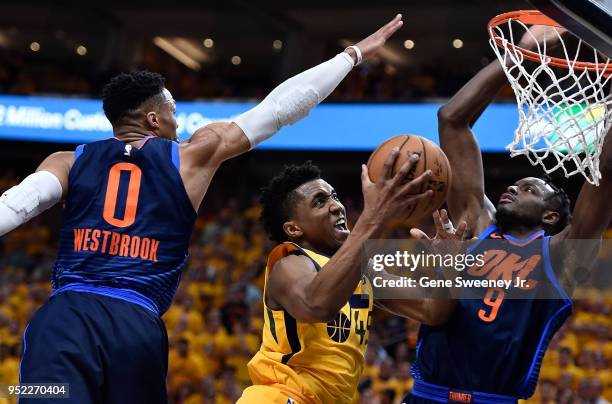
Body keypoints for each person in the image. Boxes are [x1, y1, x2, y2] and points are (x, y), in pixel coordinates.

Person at [0, 15, 405, 404]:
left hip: (63, 320)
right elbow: (280, 109)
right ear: (154, 119)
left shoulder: (67, 161)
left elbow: (15, 206)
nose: (179, 124)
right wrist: (350, 56)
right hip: (134, 326)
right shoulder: (190, 157)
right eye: (174, 113)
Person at [403, 25, 612, 403]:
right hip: (426, 396)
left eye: (530, 189)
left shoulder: (562, 253)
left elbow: (607, 171)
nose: (513, 188)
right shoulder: (475, 222)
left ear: (550, 218)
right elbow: (451, 118)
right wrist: (517, 55)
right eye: (514, 185)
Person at [238, 157, 460, 404]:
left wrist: (449, 267)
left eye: (334, 196)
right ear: (294, 229)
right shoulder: (289, 263)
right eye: (320, 202)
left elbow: (433, 310)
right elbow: (317, 305)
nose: (336, 206)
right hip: (281, 396)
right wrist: (373, 217)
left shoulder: (363, 271)